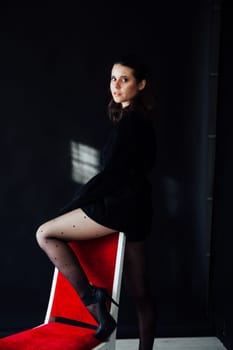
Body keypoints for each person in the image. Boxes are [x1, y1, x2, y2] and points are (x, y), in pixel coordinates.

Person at [36, 54, 157, 350]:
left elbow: (109, 177)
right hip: (138, 208)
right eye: (113, 78)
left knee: (45, 233)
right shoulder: (141, 121)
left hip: (118, 207)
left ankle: (93, 300)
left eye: (124, 79)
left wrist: (72, 206)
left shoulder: (131, 125)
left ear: (140, 85)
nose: (116, 85)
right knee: (140, 291)